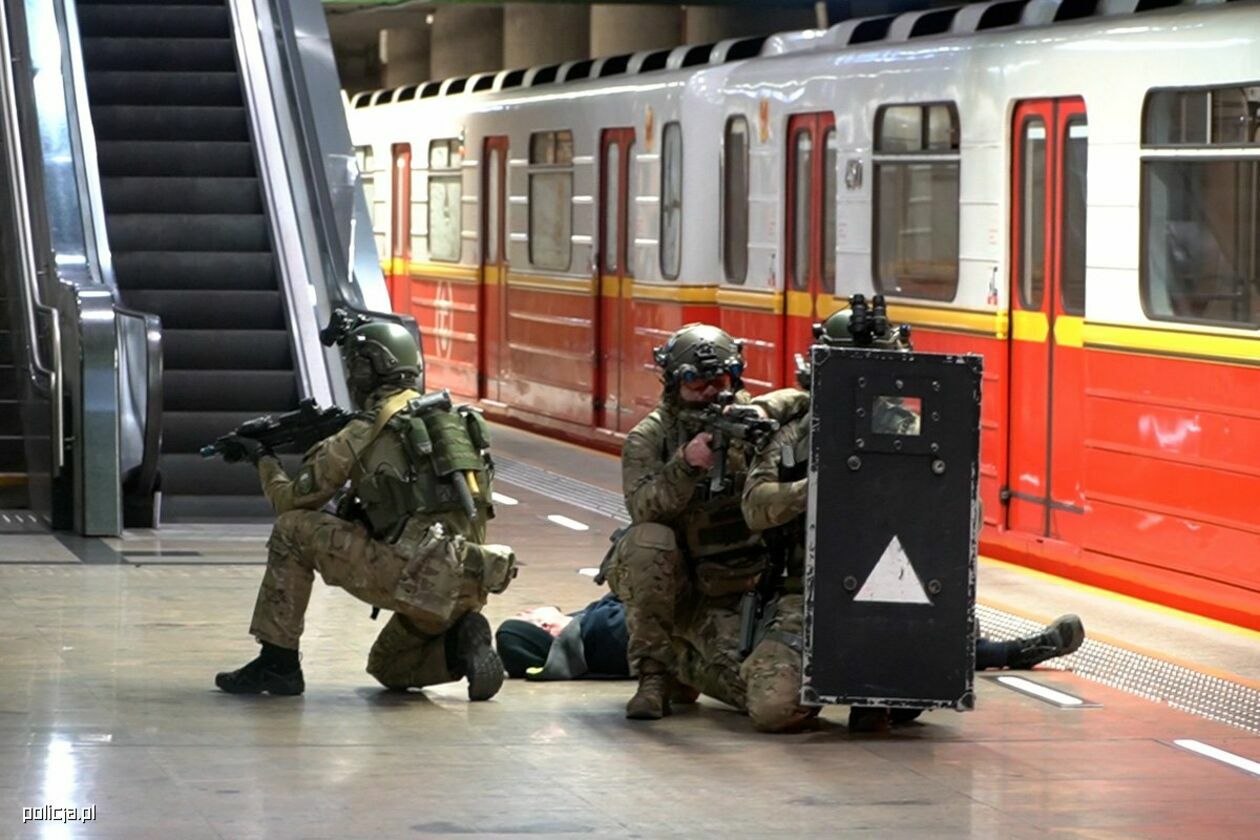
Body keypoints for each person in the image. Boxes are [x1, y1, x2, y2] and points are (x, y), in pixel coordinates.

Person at [742, 307, 1085, 731]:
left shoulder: (913, 430)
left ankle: (985, 652)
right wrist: (813, 488)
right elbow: (755, 507)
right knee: (775, 708)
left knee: (912, 690)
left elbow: (964, 524)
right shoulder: (796, 432)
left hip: (894, 592)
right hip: (805, 593)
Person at [213, 317, 516, 700]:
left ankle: (278, 664)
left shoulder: (366, 429)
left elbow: (292, 501)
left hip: (414, 577)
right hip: (469, 580)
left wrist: (262, 459)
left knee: (292, 529)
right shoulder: (456, 420)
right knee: (388, 667)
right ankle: (462, 643)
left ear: (366, 371)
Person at [600, 323, 811, 726]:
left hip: (751, 587)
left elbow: (803, 400)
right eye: (696, 383)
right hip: (689, 590)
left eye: (720, 380)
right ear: (673, 383)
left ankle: (684, 664)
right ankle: (654, 674)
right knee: (648, 540)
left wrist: (763, 411)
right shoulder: (650, 437)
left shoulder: (751, 418)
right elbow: (643, 508)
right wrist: (686, 464)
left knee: (762, 694)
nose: (710, 392)